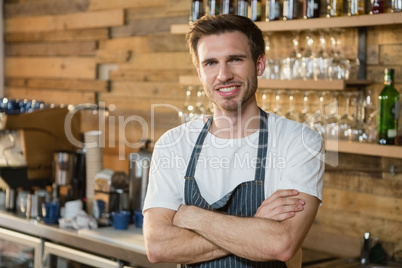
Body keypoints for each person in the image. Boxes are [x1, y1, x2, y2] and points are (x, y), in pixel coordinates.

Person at [143, 14, 325, 267]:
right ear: (199, 73)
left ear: (259, 64)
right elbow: (158, 247)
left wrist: (192, 217)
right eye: (210, 63)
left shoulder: (300, 141)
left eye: (235, 60)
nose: (223, 75)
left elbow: (281, 244)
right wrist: (256, 226)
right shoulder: (173, 143)